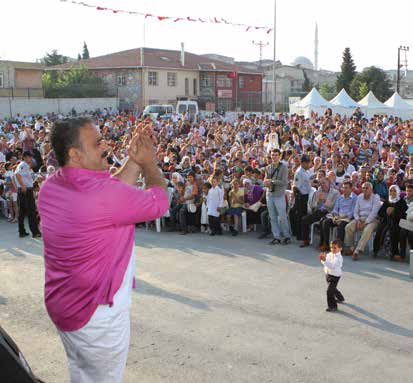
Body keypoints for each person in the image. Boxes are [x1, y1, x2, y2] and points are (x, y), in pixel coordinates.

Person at [38, 118, 169, 383]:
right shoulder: (101, 197)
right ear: (75, 154)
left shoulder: (51, 187)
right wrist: (148, 163)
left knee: (82, 371)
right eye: (97, 143)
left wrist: (133, 160)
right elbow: (159, 201)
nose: (105, 146)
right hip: (96, 318)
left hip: (65, 306)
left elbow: (113, 192)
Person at [344, 182, 382, 260]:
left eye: (366, 188)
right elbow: (355, 211)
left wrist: (365, 222)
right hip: (360, 218)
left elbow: (374, 213)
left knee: (367, 229)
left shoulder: (376, 197)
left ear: (371, 189)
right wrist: (358, 220)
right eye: (363, 188)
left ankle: (358, 250)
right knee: (348, 227)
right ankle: (351, 248)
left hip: (372, 220)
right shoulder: (360, 197)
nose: (364, 189)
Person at [299, 178, 339, 247]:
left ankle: (323, 243)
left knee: (323, 222)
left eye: (324, 183)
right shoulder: (318, 192)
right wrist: (318, 201)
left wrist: (324, 200)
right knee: (304, 219)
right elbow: (313, 206)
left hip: (329, 212)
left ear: (329, 183)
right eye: (321, 183)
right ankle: (305, 240)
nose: (322, 185)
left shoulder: (335, 193)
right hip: (319, 211)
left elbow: (334, 206)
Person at [319, 181, 356, 250]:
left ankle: (339, 247)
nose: (344, 189)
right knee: (325, 222)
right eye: (343, 188)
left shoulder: (354, 198)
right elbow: (335, 209)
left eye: (346, 188)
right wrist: (335, 217)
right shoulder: (340, 197)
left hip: (346, 218)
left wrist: (341, 218)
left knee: (341, 226)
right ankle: (326, 244)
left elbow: (352, 212)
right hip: (338, 216)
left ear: (351, 188)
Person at [373, 185, 407, 260]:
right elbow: (380, 213)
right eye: (391, 191)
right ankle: (377, 250)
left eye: (394, 191)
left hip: (398, 222)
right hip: (386, 221)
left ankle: (394, 253)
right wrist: (387, 211)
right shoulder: (387, 201)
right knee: (380, 231)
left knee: (394, 231)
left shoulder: (402, 201)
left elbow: (404, 215)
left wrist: (394, 211)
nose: (392, 192)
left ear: (398, 192)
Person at [264, 149, 291, 244]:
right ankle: (276, 236)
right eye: (272, 155)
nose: (274, 157)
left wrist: (272, 181)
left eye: (276, 155)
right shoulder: (267, 167)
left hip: (279, 195)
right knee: (272, 217)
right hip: (269, 194)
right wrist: (266, 183)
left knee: (282, 216)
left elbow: (284, 182)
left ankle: (287, 236)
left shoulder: (284, 167)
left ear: (279, 156)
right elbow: (265, 179)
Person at [14, 151, 41, 238]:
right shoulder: (24, 165)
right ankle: (35, 232)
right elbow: (17, 174)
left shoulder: (25, 166)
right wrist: (22, 185)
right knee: (31, 211)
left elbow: (24, 177)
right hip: (26, 191)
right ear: (25, 157)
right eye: (30, 157)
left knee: (22, 212)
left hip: (25, 190)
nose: (31, 158)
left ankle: (22, 231)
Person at [290, 154, 312, 241]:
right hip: (301, 196)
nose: (309, 164)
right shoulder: (299, 172)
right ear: (303, 163)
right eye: (307, 163)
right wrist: (298, 198)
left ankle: (302, 234)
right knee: (300, 216)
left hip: (306, 196)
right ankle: (300, 235)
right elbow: (295, 187)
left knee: (303, 215)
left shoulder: (306, 171)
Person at [320, 239, 345, 312]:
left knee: (329, 291)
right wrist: (322, 259)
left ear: (340, 248)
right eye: (331, 247)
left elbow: (332, 266)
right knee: (333, 288)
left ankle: (333, 306)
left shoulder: (339, 258)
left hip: (335, 276)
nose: (332, 249)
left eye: (335, 248)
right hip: (328, 274)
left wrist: (324, 260)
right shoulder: (330, 254)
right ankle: (340, 298)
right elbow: (324, 262)